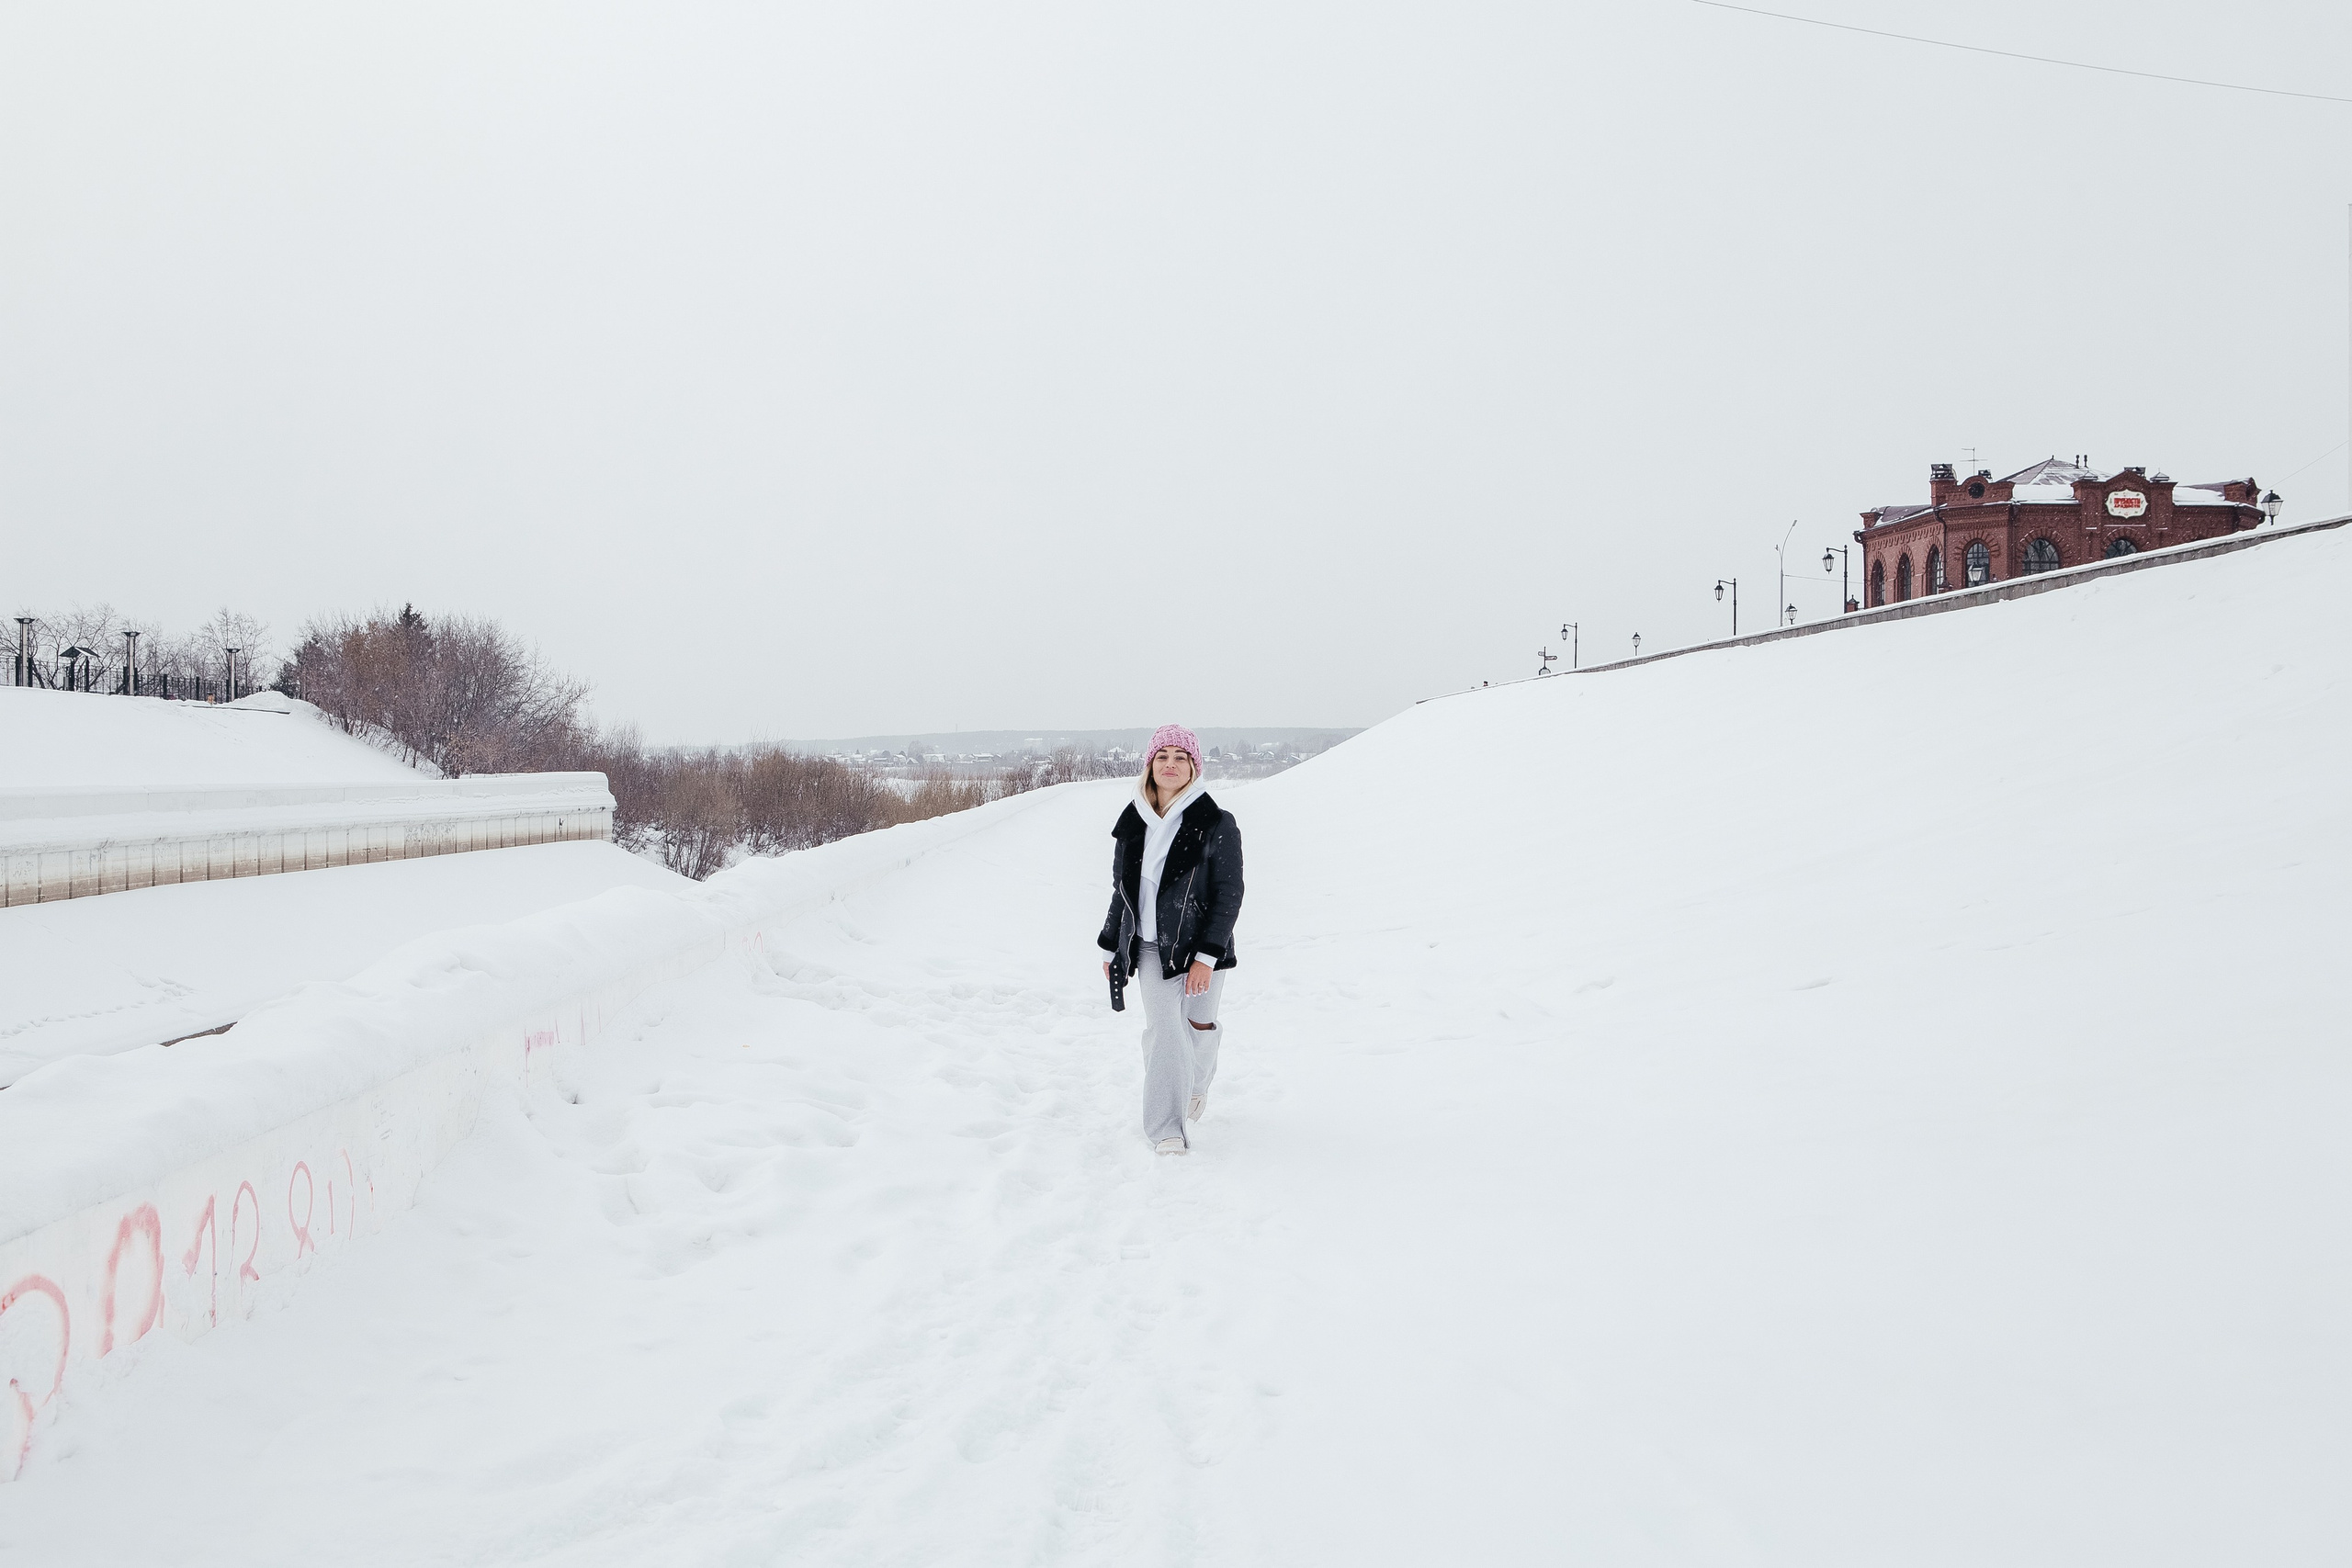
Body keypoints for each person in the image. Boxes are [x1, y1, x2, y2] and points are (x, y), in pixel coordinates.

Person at [1098, 724, 1243, 1155]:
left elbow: (1229, 894)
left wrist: (1206, 957)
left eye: (1181, 757)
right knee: (1166, 1032)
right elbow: (1121, 892)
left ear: (1194, 767)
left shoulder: (1216, 822)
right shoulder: (1133, 824)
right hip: (1149, 947)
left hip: (1201, 947)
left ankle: (1194, 1086)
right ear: (1150, 765)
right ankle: (1166, 1128)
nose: (1171, 764)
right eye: (1162, 756)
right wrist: (1112, 944)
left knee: (1198, 1025)